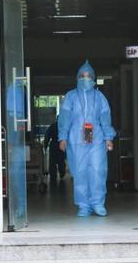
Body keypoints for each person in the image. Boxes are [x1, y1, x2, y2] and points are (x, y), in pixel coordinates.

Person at [58, 61, 115, 217]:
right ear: (77, 78)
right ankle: (84, 205)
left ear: (94, 78)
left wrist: (108, 137)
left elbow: (105, 118)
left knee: (97, 170)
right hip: (76, 139)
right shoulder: (71, 96)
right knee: (80, 172)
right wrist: (62, 137)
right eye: (82, 76)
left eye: (89, 76)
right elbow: (64, 117)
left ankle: (98, 203)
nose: (85, 79)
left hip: (96, 139)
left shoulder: (99, 97)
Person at [44, 117, 66, 182]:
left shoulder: (53, 126)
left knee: (52, 162)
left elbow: (47, 136)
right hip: (61, 145)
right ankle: (62, 173)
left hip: (53, 146)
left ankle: (53, 176)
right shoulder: (64, 127)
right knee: (61, 161)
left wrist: (45, 145)